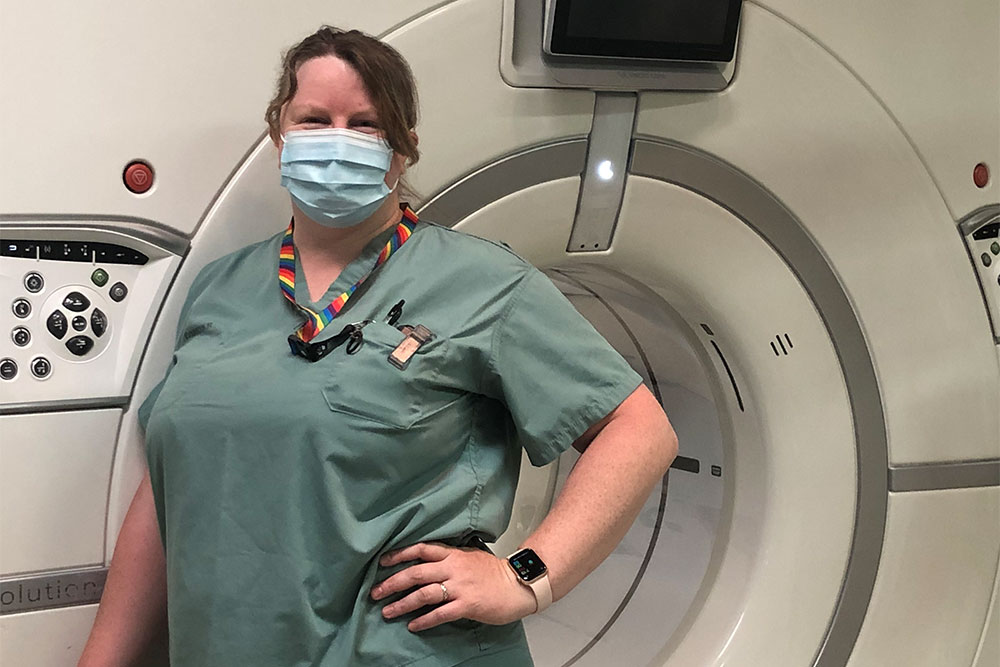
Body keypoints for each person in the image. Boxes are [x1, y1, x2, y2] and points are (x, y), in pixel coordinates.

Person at [79, 26, 677, 667]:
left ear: (403, 150)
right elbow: (172, 487)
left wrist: (525, 578)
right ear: (280, 134)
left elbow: (639, 430)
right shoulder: (220, 287)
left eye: (364, 124)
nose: (336, 139)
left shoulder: (481, 282)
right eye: (314, 119)